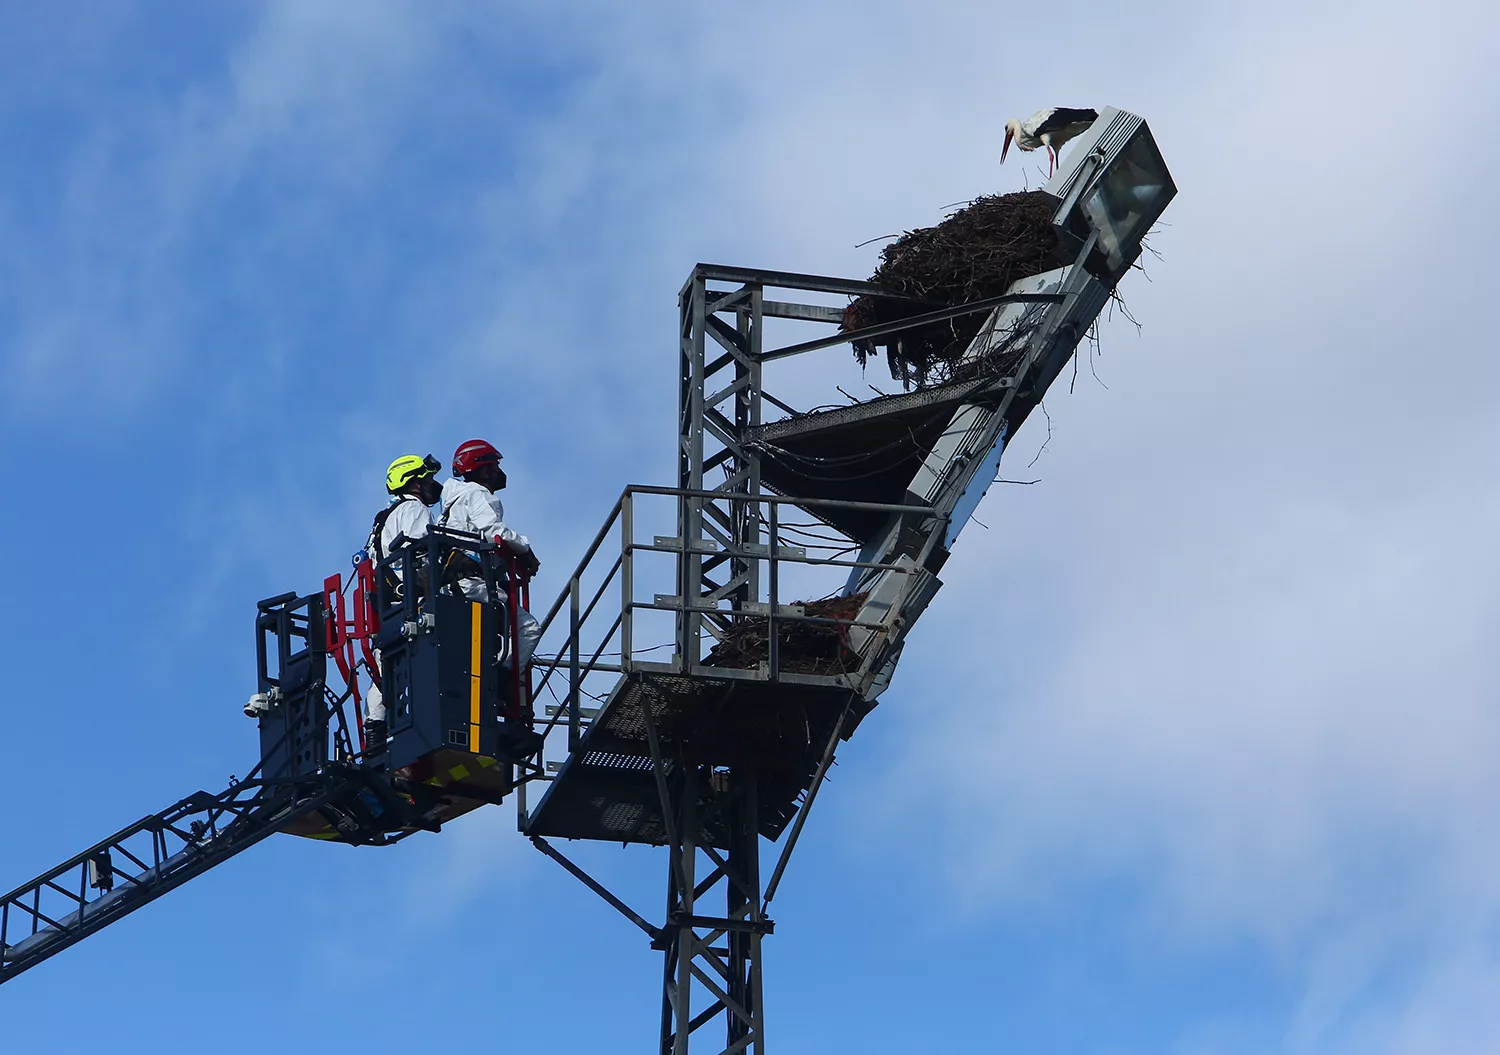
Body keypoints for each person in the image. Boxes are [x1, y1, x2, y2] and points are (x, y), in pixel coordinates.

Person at [360, 453, 443, 755]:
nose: (434, 485)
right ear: (416, 484)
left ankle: (375, 741)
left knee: (384, 676)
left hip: (388, 611)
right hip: (414, 603)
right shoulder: (413, 509)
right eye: (429, 479)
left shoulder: (381, 520)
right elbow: (424, 554)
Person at [439, 438, 542, 669]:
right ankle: (504, 677)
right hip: (474, 585)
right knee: (528, 629)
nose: (499, 472)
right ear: (483, 471)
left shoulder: (452, 502)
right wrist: (525, 551)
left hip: (455, 585)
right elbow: (493, 531)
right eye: (495, 467)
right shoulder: (477, 494)